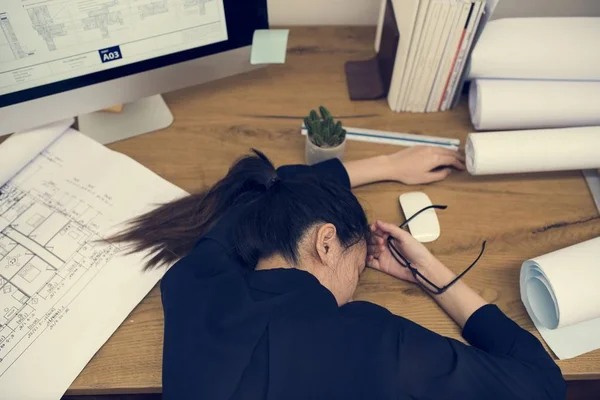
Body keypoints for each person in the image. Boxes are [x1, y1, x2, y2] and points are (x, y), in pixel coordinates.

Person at [111, 147, 566, 400]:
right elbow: (542, 386)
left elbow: (263, 191)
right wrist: (430, 270)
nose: (361, 275)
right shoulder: (375, 344)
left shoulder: (197, 278)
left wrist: (388, 166)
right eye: (360, 259)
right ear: (326, 243)